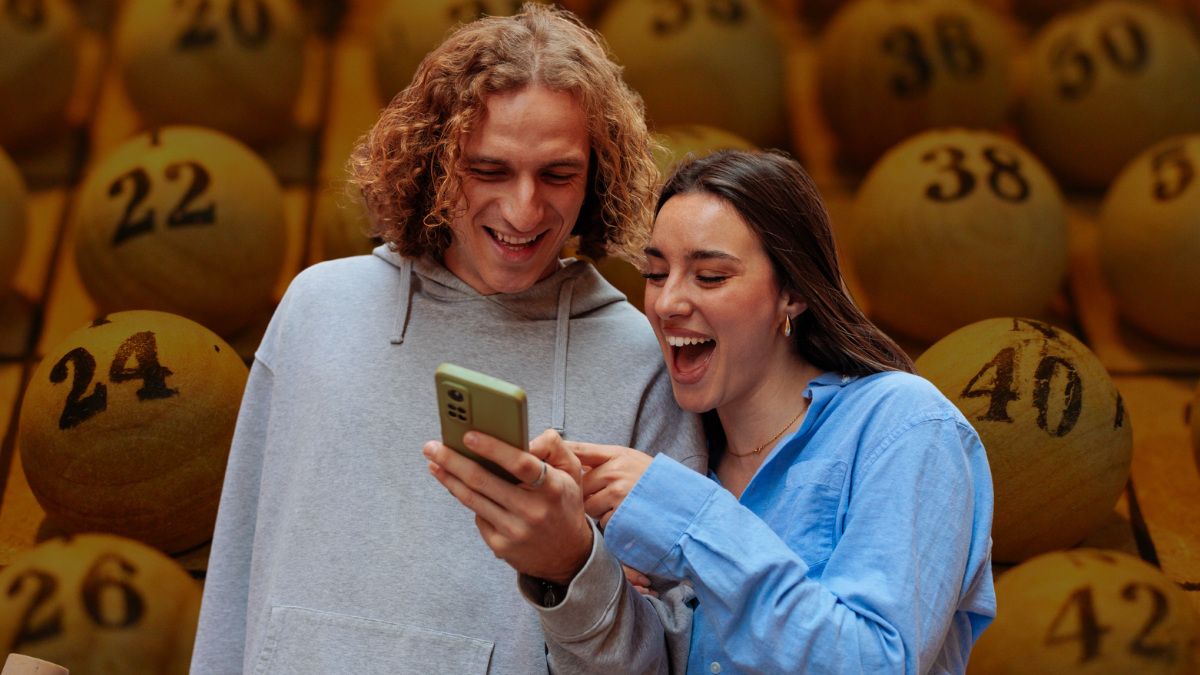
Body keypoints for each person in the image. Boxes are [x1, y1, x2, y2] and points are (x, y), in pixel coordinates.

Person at [188, 6, 705, 674]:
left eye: (556, 175)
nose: (523, 211)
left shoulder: (640, 358)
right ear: (436, 161)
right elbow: (234, 576)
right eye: (489, 170)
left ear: (598, 175)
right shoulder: (316, 310)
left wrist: (573, 566)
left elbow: (669, 657)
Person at [425, 150, 996, 674]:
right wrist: (579, 567)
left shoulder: (905, 425)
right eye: (655, 274)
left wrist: (686, 520)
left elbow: (877, 663)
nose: (668, 302)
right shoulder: (678, 454)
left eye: (711, 276)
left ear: (792, 293)